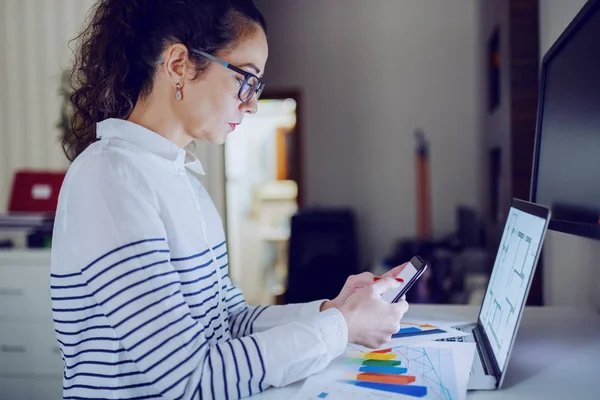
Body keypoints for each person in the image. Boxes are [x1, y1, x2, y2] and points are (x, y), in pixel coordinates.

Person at [50, 0, 410, 399]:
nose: (252, 103)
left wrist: (335, 310)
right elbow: (187, 380)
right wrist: (342, 328)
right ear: (178, 65)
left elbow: (230, 321)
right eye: (246, 78)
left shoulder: (182, 182)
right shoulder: (109, 177)